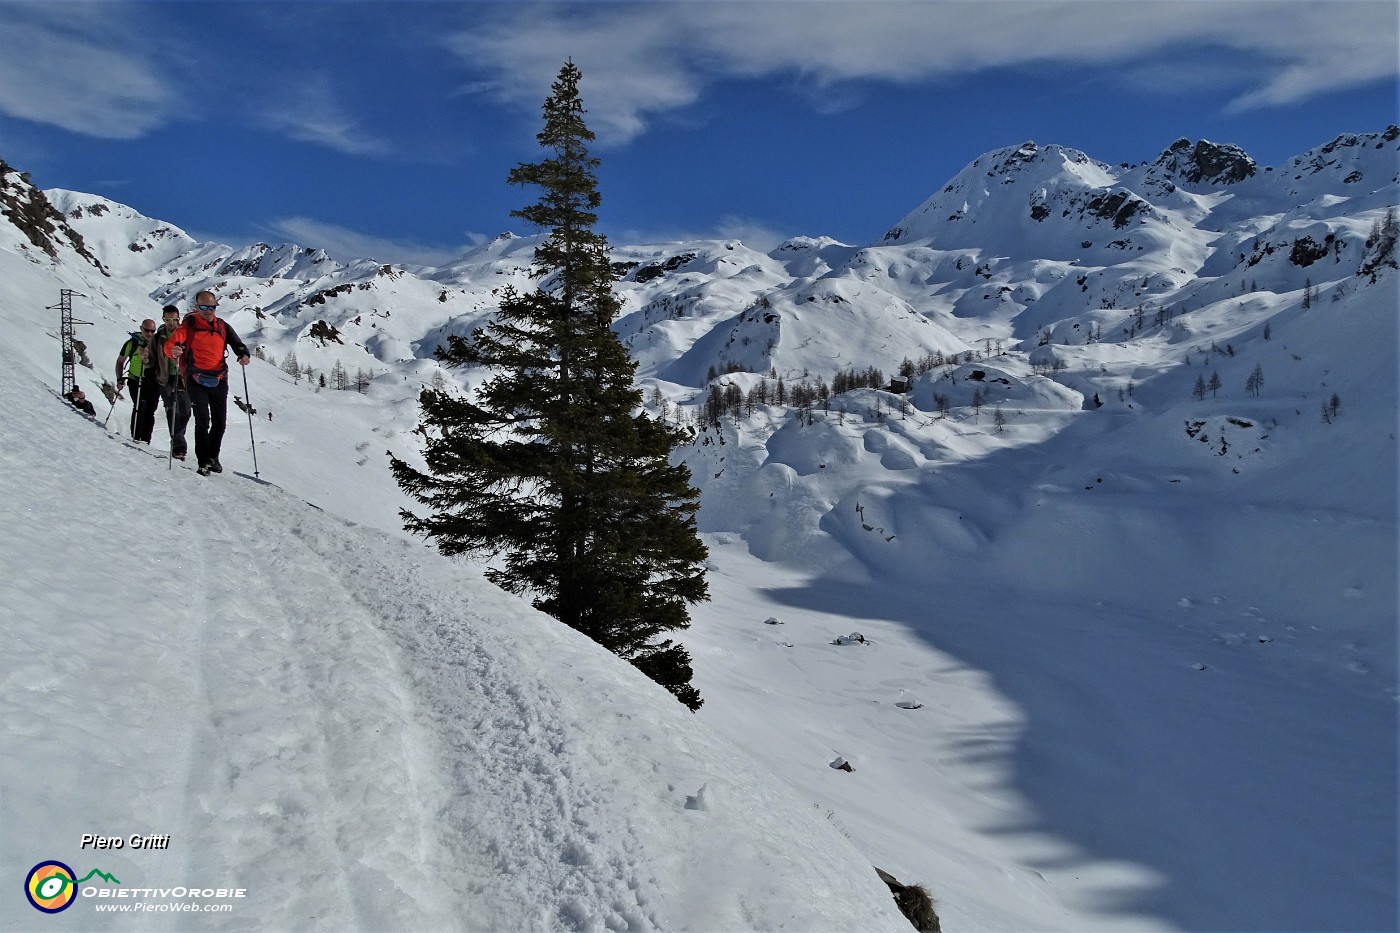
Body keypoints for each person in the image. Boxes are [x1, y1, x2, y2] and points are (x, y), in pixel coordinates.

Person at [164, 291, 250, 476]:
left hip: (219, 378)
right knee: (202, 421)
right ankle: (203, 461)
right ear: (196, 307)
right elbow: (171, 345)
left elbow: (237, 343)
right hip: (195, 379)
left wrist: (243, 354)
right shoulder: (189, 326)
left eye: (211, 307)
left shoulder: (222, 326)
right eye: (203, 307)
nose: (208, 311)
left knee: (220, 422)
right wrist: (174, 351)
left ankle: (213, 457)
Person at [150, 305, 192, 460]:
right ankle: (178, 446)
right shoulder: (159, 337)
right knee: (171, 411)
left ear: (178, 319)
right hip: (165, 378)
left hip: (184, 378)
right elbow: (152, 359)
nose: (171, 323)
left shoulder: (185, 335)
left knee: (186, 412)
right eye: (167, 319)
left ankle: (178, 439)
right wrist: (146, 359)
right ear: (163, 319)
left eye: (174, 319)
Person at [116, 320, 160, 442]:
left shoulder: (157, 344)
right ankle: (136, 437)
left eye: (152, 331)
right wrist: (119, 378)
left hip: (153, 381)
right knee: (139, 407)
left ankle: (146, 440)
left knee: (150, 410)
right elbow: (120, 361)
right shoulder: (132, 344)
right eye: (147, 330)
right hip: (135, 379)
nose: (150, 334)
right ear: (141, 329)